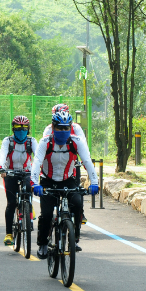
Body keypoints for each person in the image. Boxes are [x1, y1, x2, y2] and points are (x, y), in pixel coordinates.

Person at [30, 111, 99, 259]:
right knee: (47, 214)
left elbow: (87, 161)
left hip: (69, 179)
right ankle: (42, 243)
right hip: (48, 180)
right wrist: (35, 184)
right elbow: (36, 163)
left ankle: (74, 239)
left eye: (66, 128)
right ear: (53, 128)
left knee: (78, 205)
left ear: (70, 128)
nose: (63, 131)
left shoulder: (76, 141)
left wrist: (94, 182)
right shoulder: (45, 142)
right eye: (59, 128)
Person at [0, 115, 38, 246]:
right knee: (11, 203)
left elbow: (38, 157)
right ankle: (9, 234)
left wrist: (41, 169)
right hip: (10, 172)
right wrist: (1, 168)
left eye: (24, 128)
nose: (21, 131)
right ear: (13, 129)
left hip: (27, 172)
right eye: (18, 128)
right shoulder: (8, 141)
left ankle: (28, 207)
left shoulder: (32, 142)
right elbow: (3, 155)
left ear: (28, 129)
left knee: (28, 190)